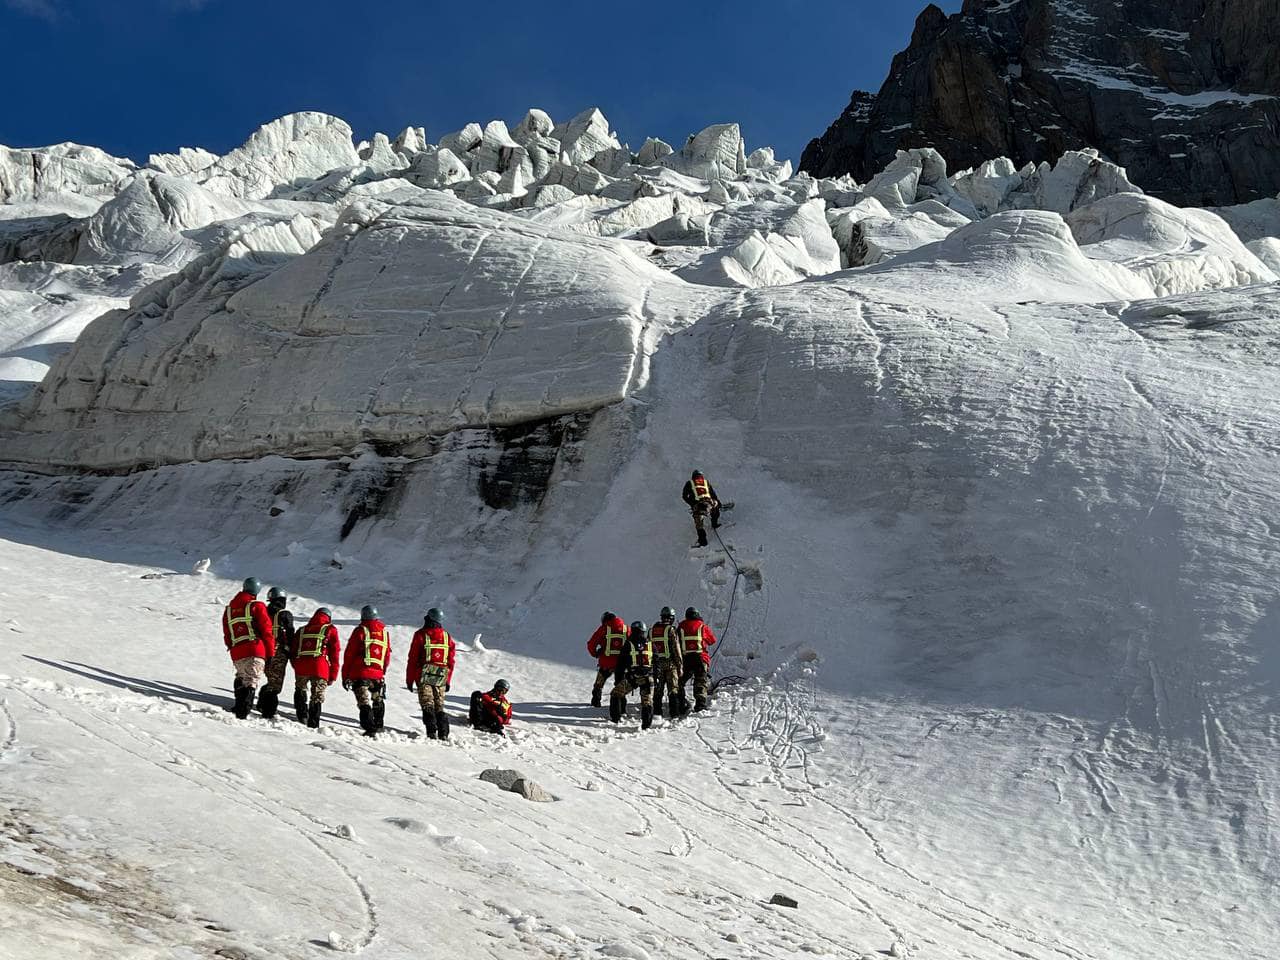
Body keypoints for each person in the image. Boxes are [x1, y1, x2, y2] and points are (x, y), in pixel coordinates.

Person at [221, 576, 275, 719]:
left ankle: (239, 708)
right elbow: (267, 631)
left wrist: (232, 648)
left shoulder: (228, 610)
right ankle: (243, 712)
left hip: (237, 652)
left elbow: (227, 635)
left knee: (241, 677)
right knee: (251, 681)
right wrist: (270, 654)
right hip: (255, 649)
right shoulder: (257, 606)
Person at [405, 607, 456, 741]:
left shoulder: (420, 635)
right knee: (439, 706)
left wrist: (409, 679)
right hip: (441, 677)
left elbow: (413, 659)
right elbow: (451, 662)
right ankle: (443, 733)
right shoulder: (447, 637)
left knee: (427, 704)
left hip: (424, 676)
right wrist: (448, 680)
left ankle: (431, 732)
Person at [342, 605, 391, 737]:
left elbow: (349, 654)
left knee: (363, 701)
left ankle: (369, 728)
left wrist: (345, 675)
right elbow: (386, 655)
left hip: (360, 673)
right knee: (378, 699)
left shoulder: (360, 630)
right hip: (378, 674)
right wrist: (382, 671)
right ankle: (379, 724)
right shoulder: (384, 633)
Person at [291, 607, 340, 728]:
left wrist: (296, 666)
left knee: (300, 689)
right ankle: (313, 722)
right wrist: (332, 675)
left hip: (301, 666)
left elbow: (293, 651)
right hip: (320, 667)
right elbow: (335, 654)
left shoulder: (302, 630)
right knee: (317, 695)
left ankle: (302, 715)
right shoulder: (330, 629)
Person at [258, 586, 295, 719]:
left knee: (270, 679)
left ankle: (261, 703)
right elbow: (290, 633)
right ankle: (268, 711)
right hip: (279, 652)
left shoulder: (263, 612)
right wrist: (291, 651)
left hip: (262, 651)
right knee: (275, 684)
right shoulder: (285, 615)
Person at [611, 620, 654, 729]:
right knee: (647, 701)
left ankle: (615, 719)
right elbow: (656, 661)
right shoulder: (650, 644)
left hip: (633, 677)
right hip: (648, 677)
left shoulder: (628, 644)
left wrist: (618, 679)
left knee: (616, 694)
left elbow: (621, 664)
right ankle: (646, 725)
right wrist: (656, 676)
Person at [677, 606, 717, 713]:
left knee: (680, 682)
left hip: (685, 659)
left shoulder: (680, 626)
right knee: (700, 680)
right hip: (700, 658)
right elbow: (712, 640)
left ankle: (681, 702)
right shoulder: (702, 626)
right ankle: (700, 704)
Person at [586, 611, 629, 708]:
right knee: (620, 685)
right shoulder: (626, 629)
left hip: (606, 663)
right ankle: (621, 707)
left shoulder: (603, 629)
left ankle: (596, 703)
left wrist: (595, 654)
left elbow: (591, 644)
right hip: (622, 664)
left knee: (599, 684)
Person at [649, 606, 683, 718]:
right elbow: (676, 649)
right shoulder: (671, 630)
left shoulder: (651, 631)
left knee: (658, 690)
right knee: (673, 688)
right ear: (672, 618)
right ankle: (674, 713)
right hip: (670, 664)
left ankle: (657, 713)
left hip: (656, 665)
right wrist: (680, 666)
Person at [682, 470, 722, 547]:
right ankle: (714, 523)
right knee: (715, 509)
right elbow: (713, 494)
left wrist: (692, 504)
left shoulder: (689, 483)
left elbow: (684, 496)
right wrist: (718, 503)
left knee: (699, 524)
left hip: (698, 505)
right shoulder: (706, 482)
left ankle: (703, 541)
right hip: (710, 502)